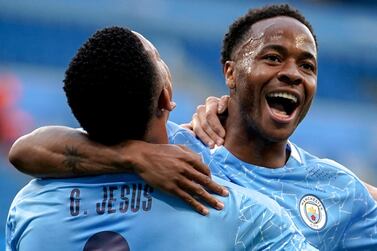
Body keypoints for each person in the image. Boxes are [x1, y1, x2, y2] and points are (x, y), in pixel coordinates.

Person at [8, 4, 377, 250]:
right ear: (230, 73)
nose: (293, 74)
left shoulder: (336, 188)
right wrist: (135, 156)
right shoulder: (178, 148)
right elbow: (25, 150)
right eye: (273, 58)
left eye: (308, 66)